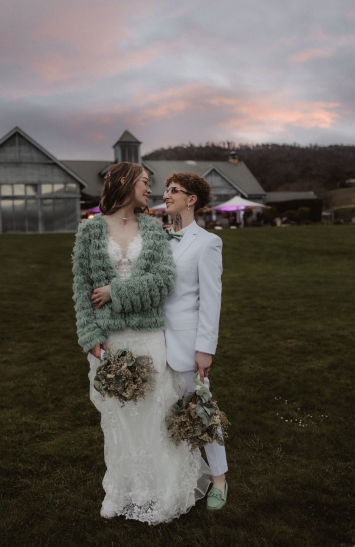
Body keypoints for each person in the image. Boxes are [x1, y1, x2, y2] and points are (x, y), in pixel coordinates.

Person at [72, 162, 211, 525]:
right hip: (110, 341)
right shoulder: (89, 231)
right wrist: (90, 337)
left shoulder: (152, 228)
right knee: (117, 420)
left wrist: (115, 292)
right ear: (124, 182)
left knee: (154, 416)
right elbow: (81, 288)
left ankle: (162, 492)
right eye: (145, 182)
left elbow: (162, 281)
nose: (151, 189)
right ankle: (121, 491)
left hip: (149, 337)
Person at [162, 172, 228, 512]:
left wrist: (205, 349)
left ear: (191, 200)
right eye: (166, 189)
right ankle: (177, 475)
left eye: (174, 190)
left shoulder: (207, 243)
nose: (166, 194)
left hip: (188, 344)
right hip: (154, 342)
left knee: (201, 411)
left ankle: (219, 479)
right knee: (163, 414)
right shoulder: (158, 239)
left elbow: (211, 300)